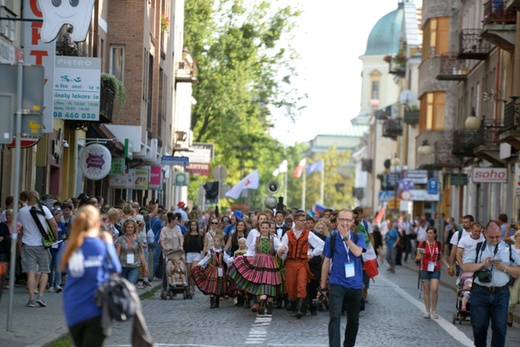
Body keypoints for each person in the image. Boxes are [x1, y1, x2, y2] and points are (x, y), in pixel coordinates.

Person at [59, 205, 121, 347]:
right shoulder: (101, 246)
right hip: (97, 308)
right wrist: (109, 243)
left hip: (73, 308)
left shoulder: (70, 247)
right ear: (97, 224)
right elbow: (116, 268)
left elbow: (62, 266)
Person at [461, 220, 520, 347]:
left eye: (498, 236)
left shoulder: (508, 248)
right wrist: (482, 264)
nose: (494, 239)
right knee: (479, 326)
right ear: (485, 234)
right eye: (491, 237)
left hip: (501, 293)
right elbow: (466, 267)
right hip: (480, 292)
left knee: (499, 327)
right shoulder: (477, 248)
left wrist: (505, 268)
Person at [318, 209, 365, 347]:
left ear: (352, 222)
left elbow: (357, 252)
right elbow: (326, 262)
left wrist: (346, 237)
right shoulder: (331, 238)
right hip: (337, 283)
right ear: (337, 220)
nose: (344, 222)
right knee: (334, 318)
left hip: (355, 284)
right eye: (342, 219)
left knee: (353, 320)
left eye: (348, 220)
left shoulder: (358, 237)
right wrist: (322, 286)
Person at [229, 220, 286, 314]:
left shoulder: (273, 239)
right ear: (260, 228)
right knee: (262, 282)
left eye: (266, 228)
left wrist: (282, 248)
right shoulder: (256, 239)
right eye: (263, 228)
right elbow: (250, 252)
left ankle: (268, 304)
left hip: (270, 262)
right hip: (258, 262)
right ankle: (263, 303)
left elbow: (279, 246)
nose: (264, 230)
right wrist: (242, 258)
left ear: (269, 229)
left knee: (269, 282)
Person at [18, 191, 59, 307]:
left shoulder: (21, 211)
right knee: (44, 270)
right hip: (42, 244)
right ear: (36, 198)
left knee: (31, 272)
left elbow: (21, 229)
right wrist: (54, 238)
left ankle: (31, 299)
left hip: (27, 244)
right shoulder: (44, 209)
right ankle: (40, 296)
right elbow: (54, 225)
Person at [281, 211, 324, 318]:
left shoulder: (308, 234)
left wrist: (312, 254)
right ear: (295, 221)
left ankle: (300, 309)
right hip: (290, 263)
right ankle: (295, 306)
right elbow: (283, 247)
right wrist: (282, 251)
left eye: (305, 220)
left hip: (302, 263)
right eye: (302, 220)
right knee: (290, 287)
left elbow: (321, 244)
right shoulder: (287, 234)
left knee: (302, 284)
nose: (304, 222)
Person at [415, 227, 450, 319]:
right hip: (424, 268)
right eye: (428, 233)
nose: (429, 235)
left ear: (435, 234)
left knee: (434, 288)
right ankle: (427, 311)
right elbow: (417, 258)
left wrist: (448, 266)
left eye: (431, 233)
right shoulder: (422, 244)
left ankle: (434, 310)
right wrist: (420, 256)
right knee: (426, 290)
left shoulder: (438, 244)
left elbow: (441, 257)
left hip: (435, 268)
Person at [192, 234, 232, 308]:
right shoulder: (210, 251)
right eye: (214, 241)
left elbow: (227, 260)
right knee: (212, 284)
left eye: (217, 241)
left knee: (219, 285)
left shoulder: (223, 252)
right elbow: (205, 259)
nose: (215, 242)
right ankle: (212, 301)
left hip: (220, 270)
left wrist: (235, 258)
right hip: (212, 270)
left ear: (221, 242)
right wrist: (198, 265)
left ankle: (217, 301)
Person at [116, 219, 149, 285]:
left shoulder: (138, 239)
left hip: (135, 266)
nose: (130, 229)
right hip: (123, 265)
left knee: (131, 285)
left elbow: (141, 253)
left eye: (131, 227)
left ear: (134, 228)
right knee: (123, 286)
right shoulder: (120, 239)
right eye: (128, 227)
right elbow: (117, 253)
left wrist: (145, 266)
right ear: (125, 228)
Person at [183, 220, 204, 297]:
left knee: (193, 270)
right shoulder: (187, 236)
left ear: (197, 226)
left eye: (195, 225)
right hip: (189, 254)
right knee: (188, 273)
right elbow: (184, 247)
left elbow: (201, 247)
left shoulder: (200, 236)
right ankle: (188, 285)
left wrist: (202, 257)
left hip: (196, 254)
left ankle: (192, 287)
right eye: (192, 225)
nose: (193, 226)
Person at [507, 230, 520, 327]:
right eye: (519, 236)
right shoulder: (509, 248)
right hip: (514, 276)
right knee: (514, 300)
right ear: (515, 237)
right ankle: (509, 312)